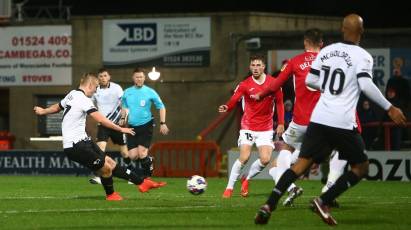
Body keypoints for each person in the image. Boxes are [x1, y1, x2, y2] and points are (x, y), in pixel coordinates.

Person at [254, 14, 406, 226]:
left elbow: (310, 80)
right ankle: (323, 199)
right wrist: (389, 107)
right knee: (361, 167)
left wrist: (327, 89)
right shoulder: (363, 56)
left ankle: (269, 204)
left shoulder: (326, 51)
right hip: (342, 121)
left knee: (299, 166)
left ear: (342, 29)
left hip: (319, 118)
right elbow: (365, 85)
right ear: (362, 32)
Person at [33, 73, 159, 201]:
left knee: (110, 162)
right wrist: (121, 128)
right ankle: (111, 195)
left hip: (84, 141)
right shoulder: (83, 99)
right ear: (90, 85)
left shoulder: (72, 94)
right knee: (106, 169)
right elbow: (101, 120)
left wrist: (43, 111)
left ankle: (142, 183)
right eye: (96, 87)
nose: (96, 90)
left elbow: (57, 107)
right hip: (75, 146)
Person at [248, 28, 328, 206]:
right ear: (321, 44)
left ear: (305, 43)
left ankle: (289, 186)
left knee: (285, 150)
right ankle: (327, 188)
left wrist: (260, 95)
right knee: (321, 155)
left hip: (300, 120)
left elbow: (276, 84)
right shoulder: (330, 62)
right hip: (323, 121)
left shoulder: (295, 62)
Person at [219, 54, 285, 198]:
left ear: (263, 67)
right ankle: (229, 188)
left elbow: (279, 103)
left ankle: (246, 178)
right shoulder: (245, 84)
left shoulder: (273, 83)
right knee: (244, 156)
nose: (255, 68)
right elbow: (234, 99)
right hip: (248, 125)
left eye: (258, 65)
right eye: (253, 65)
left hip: (266, 127)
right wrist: (227, 106)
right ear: (250, 67)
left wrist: (281, 123)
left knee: (266, 159)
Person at [121, 67, 169, 192]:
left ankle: (147, 178)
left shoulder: (150, 92)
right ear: (133, 78)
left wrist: (162, 123)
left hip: (146, 125)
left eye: (141, 77)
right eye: (137, 77)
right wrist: (122, 118)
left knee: (142, 153)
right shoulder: (127, 92)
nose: (139, 79)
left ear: (144, 78)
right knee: (133, 156)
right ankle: (149, 160)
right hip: (131, 126)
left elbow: (161, 107)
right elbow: (124, 108)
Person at [89, 68, 131, 185]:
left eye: (105, 76)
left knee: (125, 153)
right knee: (100, 150)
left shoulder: (116, 88)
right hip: (103, 124)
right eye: (100, 76)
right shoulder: (95, 89)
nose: (103, 78)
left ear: (109, 77)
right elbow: (89, 102)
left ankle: (130, 172)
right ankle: (99, 176)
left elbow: (124, 104)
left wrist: (123, 118)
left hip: (117, 125)